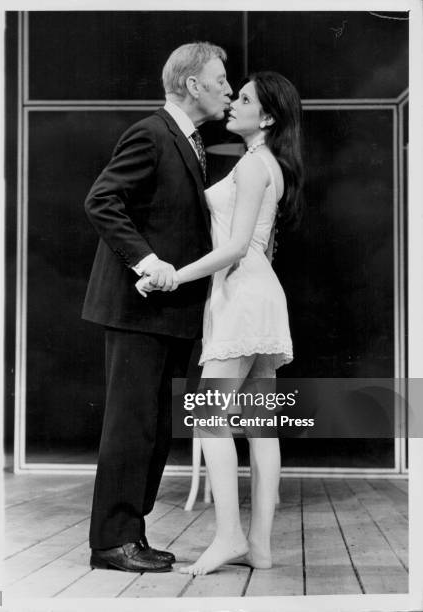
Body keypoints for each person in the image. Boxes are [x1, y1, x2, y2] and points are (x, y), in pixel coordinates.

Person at [137, 71, 304, 575]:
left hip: (243, 295)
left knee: (210, 421)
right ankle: (260, 547)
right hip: (256, 292)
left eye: (245, 99)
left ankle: (229, 535)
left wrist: (171, 277)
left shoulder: (255, 166)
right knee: (258, 428)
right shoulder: (267, 165)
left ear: (268, 116)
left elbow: (232, 248)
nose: (233, 103)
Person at [82, 42, 232, 573]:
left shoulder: (190, 141)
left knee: (153, 428)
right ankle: (112, 543)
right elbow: (102, 200)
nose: (228, 89)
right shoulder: (151, 132)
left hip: (165, 314)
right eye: (220, 78)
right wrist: (147, 263)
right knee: (132, 426)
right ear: (193, 85)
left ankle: (130, 535)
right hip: (136, 310)